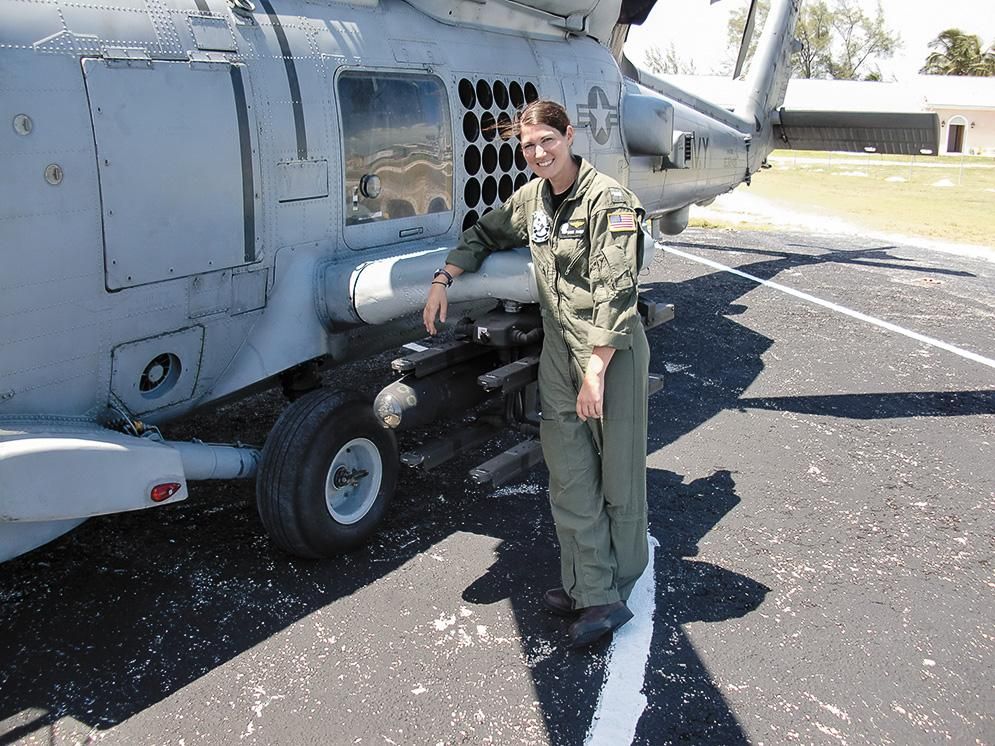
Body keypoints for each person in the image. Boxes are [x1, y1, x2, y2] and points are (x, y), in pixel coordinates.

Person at [423, 100, 649, 648]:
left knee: (616, 476)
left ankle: (614, 587)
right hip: (559, 355)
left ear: (569, 136)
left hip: (608, 354)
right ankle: (587, 586)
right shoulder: (533, 201)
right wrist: (442, 279)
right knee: (570, 473)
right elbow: (484, 235)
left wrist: (596, 369)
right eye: (529, 146)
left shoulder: (610, 202)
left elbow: (618, 291)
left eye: (548, 139)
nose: (539, 152)